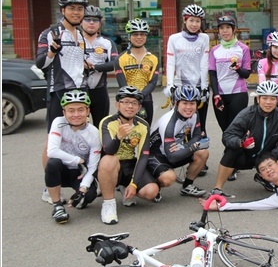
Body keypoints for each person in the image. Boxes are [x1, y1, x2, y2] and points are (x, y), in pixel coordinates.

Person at [37, 0, 88, 204]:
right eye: (72, 8)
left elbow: (77, 63)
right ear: (63, 11)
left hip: (79, 92)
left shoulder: (81, 34)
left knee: (77, 137)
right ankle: (49, 187)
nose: (76, 12)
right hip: (59, 92)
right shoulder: (51, 32)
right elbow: (40, 63)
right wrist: (51, 51)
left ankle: (74, 176)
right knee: (53, 139)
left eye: (80, 9)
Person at [210, 81, 278, 198]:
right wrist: (240, 143)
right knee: (231, 151)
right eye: (264, 98)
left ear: (277, 100)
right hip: (246, 157)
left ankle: (271, 180)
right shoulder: (247, 114)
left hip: (268, 156)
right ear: (258, 99)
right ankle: (217, 188)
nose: (268, 102)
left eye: (272, 99)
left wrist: (271, 156)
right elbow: (228, 136)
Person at [98, 86, 160, 225]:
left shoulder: (143, 125)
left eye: (134, 103)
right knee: (109, 160)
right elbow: (108, 150)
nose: (130, 106)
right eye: (125, 102)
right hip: (111, 164)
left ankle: (124, 187)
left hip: (129, 163)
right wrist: (118, 137)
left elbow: (143, 156)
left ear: (139, 107)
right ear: (117, 104)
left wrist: (133, 184)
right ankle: (108, 204)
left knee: (151, 191)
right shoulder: (107, 122)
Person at [45, 90, 101, 224]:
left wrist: (83, 188)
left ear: (88, 111)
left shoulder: (94, 132)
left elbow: (93, 166)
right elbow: (52, 151)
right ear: (64, 112)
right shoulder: (58, 122)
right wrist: (78, 160)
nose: (76, 114)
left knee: (88, 196)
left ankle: (79, 195)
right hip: (62, 169)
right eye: (71, 110)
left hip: (80, 173)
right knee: (52, 163)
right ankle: (57, 205)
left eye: (80, 110)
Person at [148, 85, 210, 198]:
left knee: (203, 153)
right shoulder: (169, 123)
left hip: (176, 150)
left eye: (192, 103)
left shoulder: (194, 115)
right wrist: (192, 147)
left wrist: (185, 146)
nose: (189, 107)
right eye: (185, 103)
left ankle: (187, 186)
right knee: (168, 178)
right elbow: (173, 157)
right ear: (176, 103)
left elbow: (197, 135)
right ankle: (155, 183)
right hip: (156, 156)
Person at [164, 4, 211, 135]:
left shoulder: (204, 38)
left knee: (200, 124)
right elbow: (170, 63)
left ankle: (199, 151)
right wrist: (170, 85)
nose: (194, 24)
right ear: (185, 20)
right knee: (178, 123)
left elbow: (204, 63)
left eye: (197, 21)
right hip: (180, 85)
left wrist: (204, 86)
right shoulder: (174, 39)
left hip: (198, 85)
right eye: (191, 20)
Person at [208, 16, 252, 134]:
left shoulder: (243, 49)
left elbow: (247, 74)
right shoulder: (214, 50)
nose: (225, 31)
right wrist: (216, 94)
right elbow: (212, 74)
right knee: (225, 130)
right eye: (221, 28)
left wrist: (237, 68)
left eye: (228, 27)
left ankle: (236, 153)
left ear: (234, 29)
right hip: (220, 95)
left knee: (236, 130)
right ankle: (231, 152)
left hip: (238, 94)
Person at [115, 18, 160, 126]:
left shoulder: (153, 58)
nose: (139, 37)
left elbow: (152, 83)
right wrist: (132, 100)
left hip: (146, 100)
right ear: (129, 36)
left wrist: (140, 97)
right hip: (126, 101)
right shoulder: (121, 58)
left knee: (145, 132)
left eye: (142, 34)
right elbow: (122, 83)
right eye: (135, 34)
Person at [81, 5, 119, 127]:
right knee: (79, 127)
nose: (91, 23)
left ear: (100, 23)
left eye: (95, 20)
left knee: (101, 127)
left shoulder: (107, 42)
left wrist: (94, 67)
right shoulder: (75, 41)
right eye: (87, 19)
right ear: (81, 21)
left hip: (100, 91)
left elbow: (115, 63)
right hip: (79, 90)